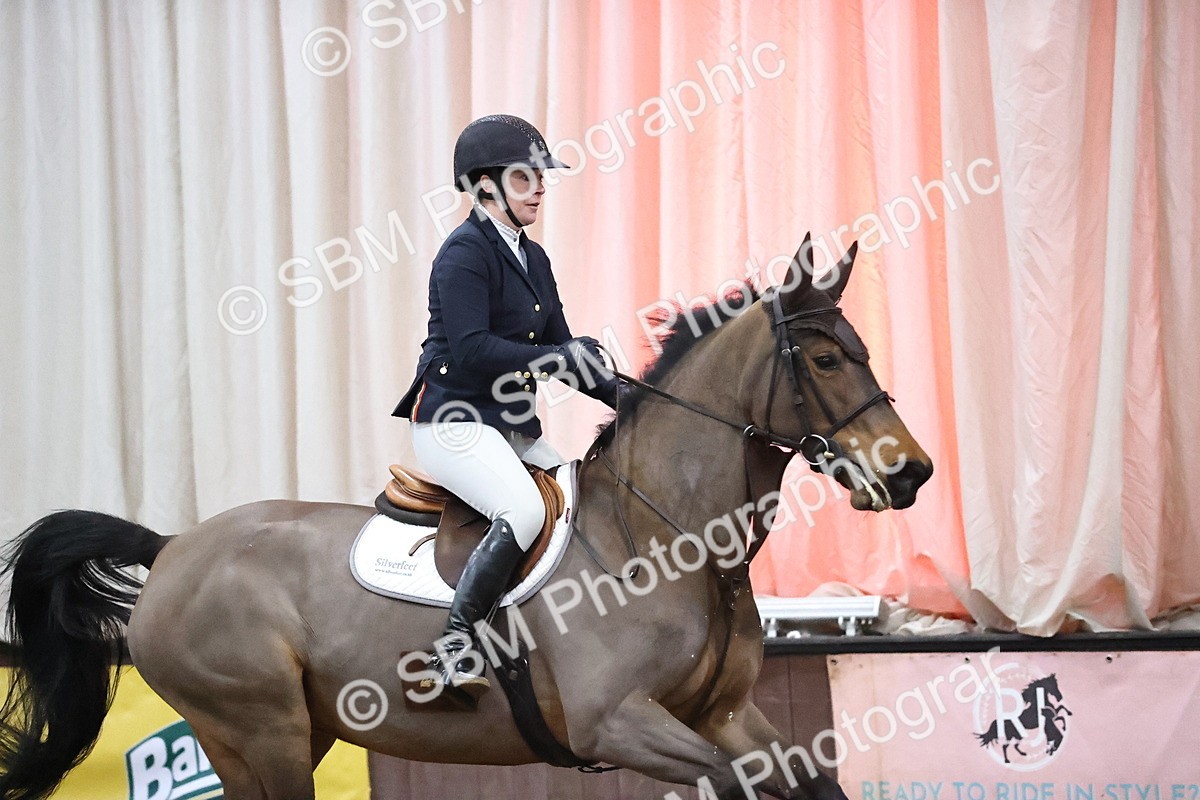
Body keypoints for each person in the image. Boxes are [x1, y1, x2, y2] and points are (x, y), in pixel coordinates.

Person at [392, 114, 621, 704]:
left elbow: (563, 353)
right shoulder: (463, 254)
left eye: (541, 177)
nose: (540, 188)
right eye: (526, 177)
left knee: (582, 494)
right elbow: (471, 350)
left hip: (512, 428)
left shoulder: (534, 258)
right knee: (521, 510)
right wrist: (556, 356)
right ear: (485, 186)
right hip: (454, 424)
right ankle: (451, 651)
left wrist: (633, 400)